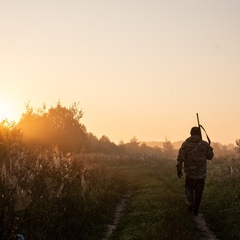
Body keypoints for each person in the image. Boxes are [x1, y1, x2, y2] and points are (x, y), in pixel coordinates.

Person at [176, 126, 214, 216]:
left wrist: (179, 168)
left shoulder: (185, 144)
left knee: (188, 188)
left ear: (191, 133)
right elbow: (210, 157)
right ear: (199, 133)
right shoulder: (204, 144)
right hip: (201, 173)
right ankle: (196, 209)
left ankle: (191, 203)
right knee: (199, 191)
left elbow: (180, 158)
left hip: (189, 172)